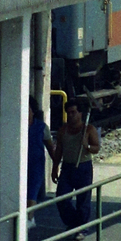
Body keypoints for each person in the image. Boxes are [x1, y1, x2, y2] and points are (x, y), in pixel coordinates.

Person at [53, 100, 99, 228]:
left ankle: (82, 228)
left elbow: (96, 148)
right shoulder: (63, 130)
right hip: (67, 167)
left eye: (73, 112)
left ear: (80, 113)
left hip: (84, 167)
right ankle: (74, 223)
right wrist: (55, 167)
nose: (71, 115)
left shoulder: (89, 129)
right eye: (68, 113)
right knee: (61, 198)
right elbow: (59, 150)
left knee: (83, 200)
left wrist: (87, 146)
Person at [27, 95, 56, 232]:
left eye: (28, 110)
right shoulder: (16, 127)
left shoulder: (42, 127)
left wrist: (56, 165)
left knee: (32, 191)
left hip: (36, 164)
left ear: (33, 111)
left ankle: (29, 219)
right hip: (21, 165)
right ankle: (28, 218)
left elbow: (50, 147)